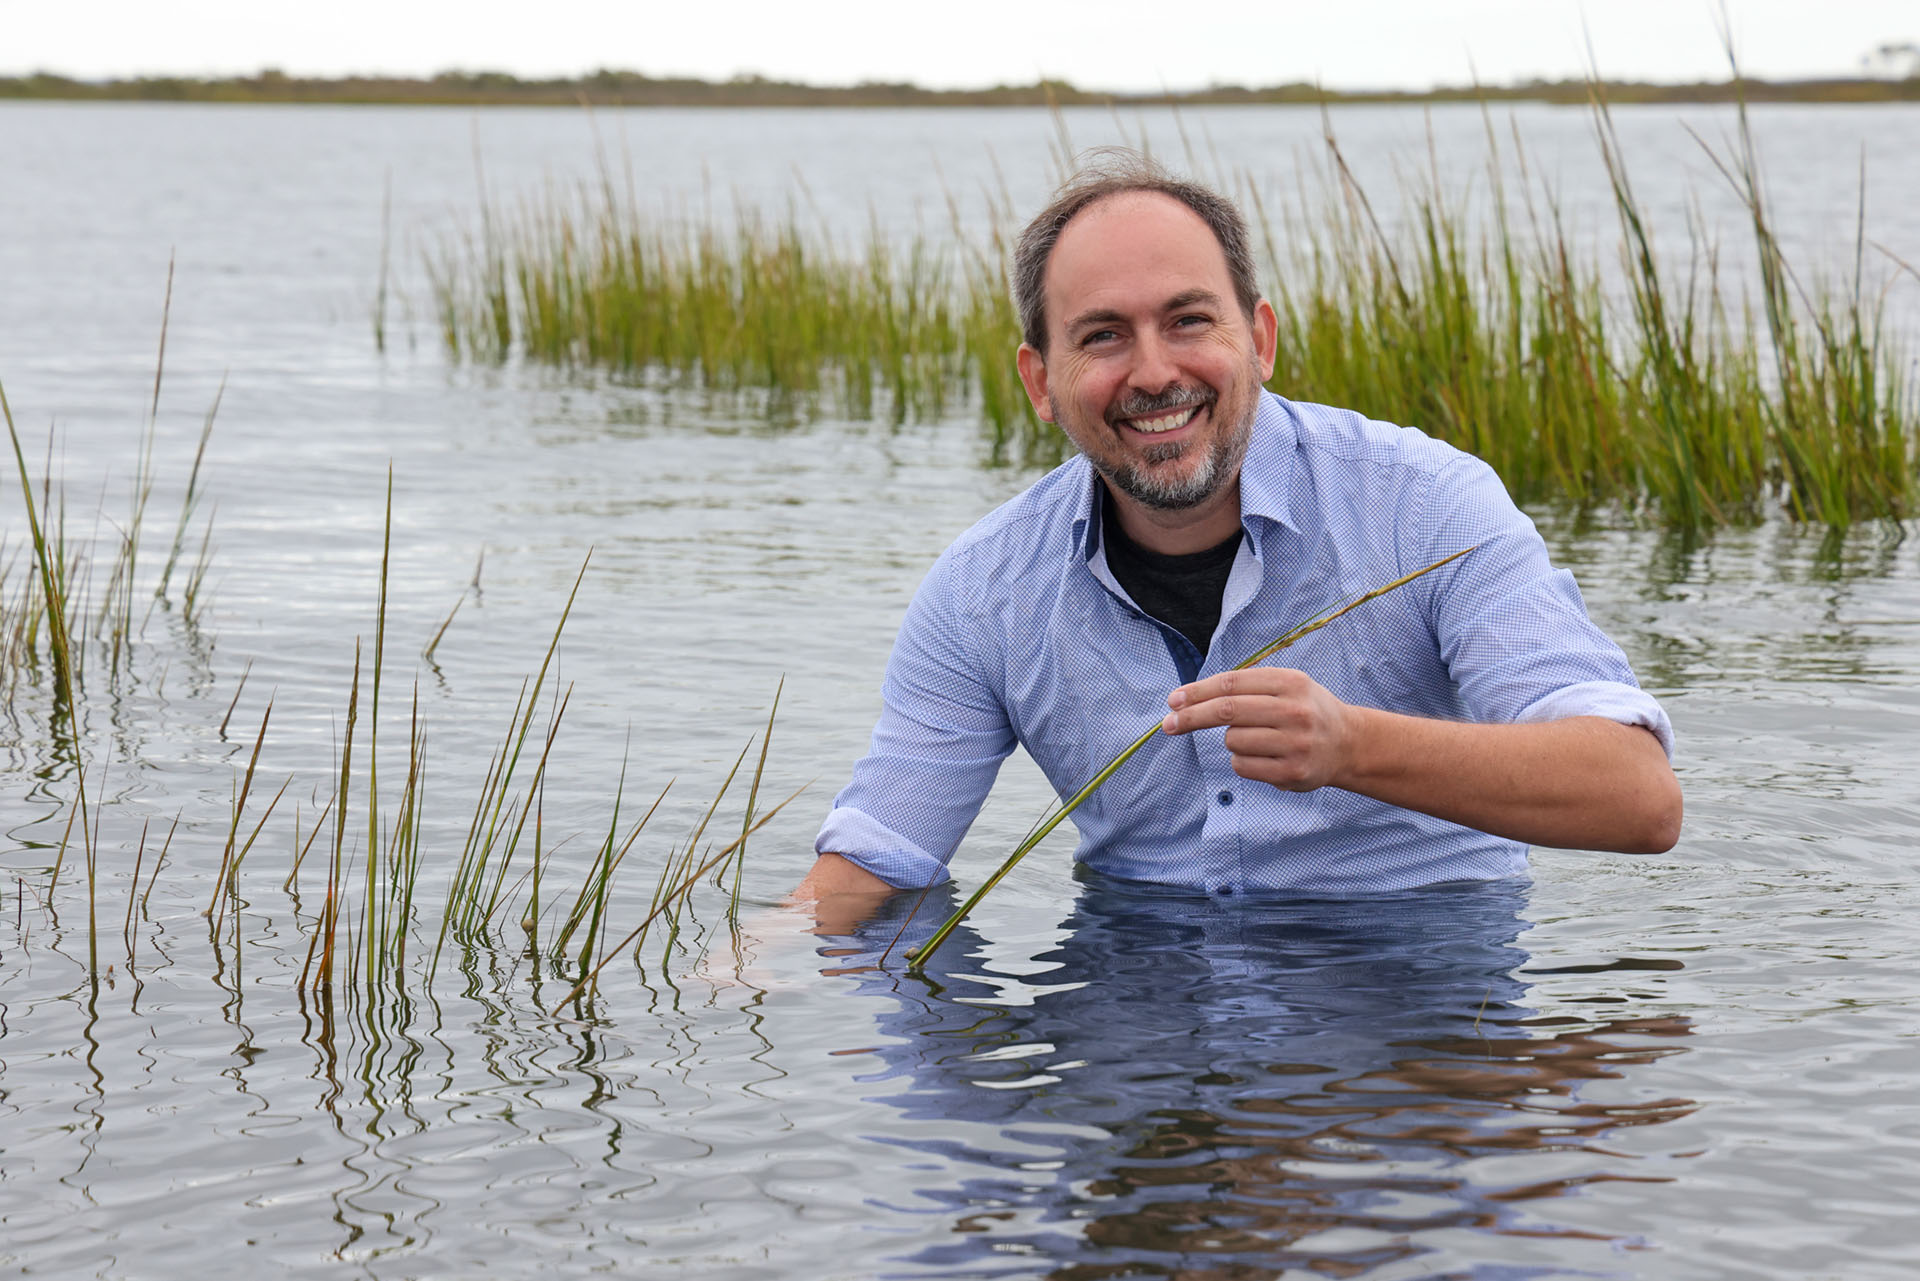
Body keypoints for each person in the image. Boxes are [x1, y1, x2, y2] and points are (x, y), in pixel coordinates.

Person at [795, 152, 1681, 915]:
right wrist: (729, 975)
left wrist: (1353, 746)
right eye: (1103, 336)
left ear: (1258, 338)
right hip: (1139, 988)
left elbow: (1637, 797)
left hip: (1421, 996)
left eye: (1188, 321)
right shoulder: (983, 591)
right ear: (1040, 381)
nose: (1153, 372)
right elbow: (881, 856)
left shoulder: (1428, 505)